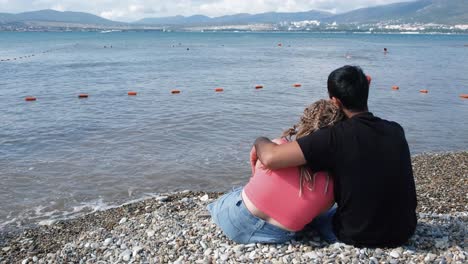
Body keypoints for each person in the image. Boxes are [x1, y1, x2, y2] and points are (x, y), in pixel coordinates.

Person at [251, 65, 417, 248]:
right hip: (404, 230)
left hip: (358, 235)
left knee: (316, 217)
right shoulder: (395, 130)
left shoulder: (334, 137)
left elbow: (271, 158)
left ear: (335, 102)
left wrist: (260, 140)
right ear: (366, 91)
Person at [207, 100, 344, 244]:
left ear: (305, 122)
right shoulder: (333, 180)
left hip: (235, 220)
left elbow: (254, 168)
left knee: (235, 195)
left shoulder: (277, 147)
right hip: (278, 235)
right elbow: (320, 211)